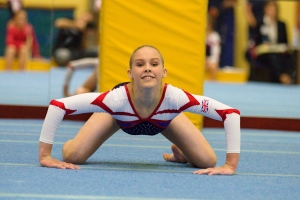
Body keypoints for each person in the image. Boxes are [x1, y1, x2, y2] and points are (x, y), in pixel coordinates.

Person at [39, 45, 241, 175]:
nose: (147, 68)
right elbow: (58, 106)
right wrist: (46, 156)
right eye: (139, 64)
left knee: (207, 161)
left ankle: (180, 153)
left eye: (154, 64)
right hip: (118, 116)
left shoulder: (175, 98)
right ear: (130, 73)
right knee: (73, 156)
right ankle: (73, 142)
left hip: (164, 116)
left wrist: (230, 165)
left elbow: (230, 114)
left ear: (163, 72)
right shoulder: (114, 100)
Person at [253, 0, 293, 84]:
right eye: (270, 9)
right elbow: (257, 43)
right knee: (272, 56)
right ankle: (282, 76)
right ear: (265, 10)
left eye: (274, 9)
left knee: (288, 56)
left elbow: (285, 42)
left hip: (279, 51)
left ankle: (288, 76)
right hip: (265, 53)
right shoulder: (260, 24)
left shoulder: (281, 25)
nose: (272, 11)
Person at [206, 14, 221, 81]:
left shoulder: (214, 36)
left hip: (211, 62)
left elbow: (216, 53)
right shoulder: (199, 36)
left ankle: (213, 82)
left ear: (210, 24)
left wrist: (210, 61)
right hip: (200, 61)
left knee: (214, 67)